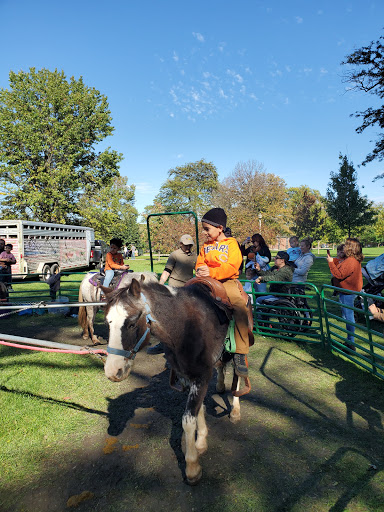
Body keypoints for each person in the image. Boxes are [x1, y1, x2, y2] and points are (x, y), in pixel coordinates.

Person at [195, 207, 252, 378]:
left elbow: (232, 266)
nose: (205, 233)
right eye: (204, 229)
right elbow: (199, 262)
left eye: (207, 229)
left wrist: (211, 272)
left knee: (239, 306)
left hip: (226, 281)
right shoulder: (205, 246)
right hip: (205, 281)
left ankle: (240, 353)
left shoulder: (232, 244)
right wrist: (200, 269)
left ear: (220, 228)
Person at [148, 234, 197, 355]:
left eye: (189, 245)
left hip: (188, 288)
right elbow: (167, 271)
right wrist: (160, 285)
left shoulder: (195, 256)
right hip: (174, 287)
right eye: (185, 245)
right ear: (180, 244)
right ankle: (163, 344)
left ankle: (187, 343)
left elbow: (199, 271)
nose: (187, 247)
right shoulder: (174, 255)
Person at [327, 237, 363, 352]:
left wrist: (330, 263)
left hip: (348, 292)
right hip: (345, 291)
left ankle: (351, 343)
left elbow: (339, 274)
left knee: (348, 317)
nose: (344, 247)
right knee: (347, 316)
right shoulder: (350, 260)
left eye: (347, 245)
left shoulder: (351, 261)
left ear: (351, 248)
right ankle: (349, 341)